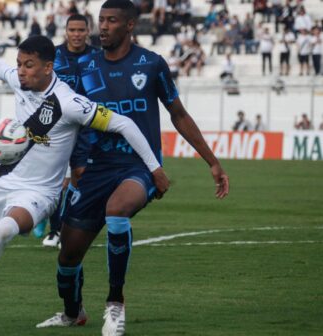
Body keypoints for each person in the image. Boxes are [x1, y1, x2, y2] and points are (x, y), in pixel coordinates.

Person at [0, 34, 169, 325]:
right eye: (19, 64)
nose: (21, 71)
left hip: (40, 191)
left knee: (4, 230)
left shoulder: (68, 103)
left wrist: (155, 168)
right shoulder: (19, 80)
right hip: (4, 180)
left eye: (29, 65)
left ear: (48, 67)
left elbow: (123, 123)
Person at [36, 1, 229, 335]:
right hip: (96, 168)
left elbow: (178, 114)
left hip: (140, 166)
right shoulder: (85, 66)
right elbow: (63, 111)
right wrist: (34, 140)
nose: (104, 27)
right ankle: (73, 313)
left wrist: (212, 161)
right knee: (68, 256)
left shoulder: (151, 64)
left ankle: (115, 303)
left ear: (129, 26)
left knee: (117, 210)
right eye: (101, 21)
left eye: (111, 21)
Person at [41, 14, 99, 247]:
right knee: (57, 182)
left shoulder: (98, 56)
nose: (76, 34)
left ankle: (71, 229)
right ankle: (55, 230)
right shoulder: (53, 56)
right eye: (72, 30)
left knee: (80, 177)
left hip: (87, 126)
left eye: (81, 30)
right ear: (66, 31)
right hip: (57, 126)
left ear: (88, 31)